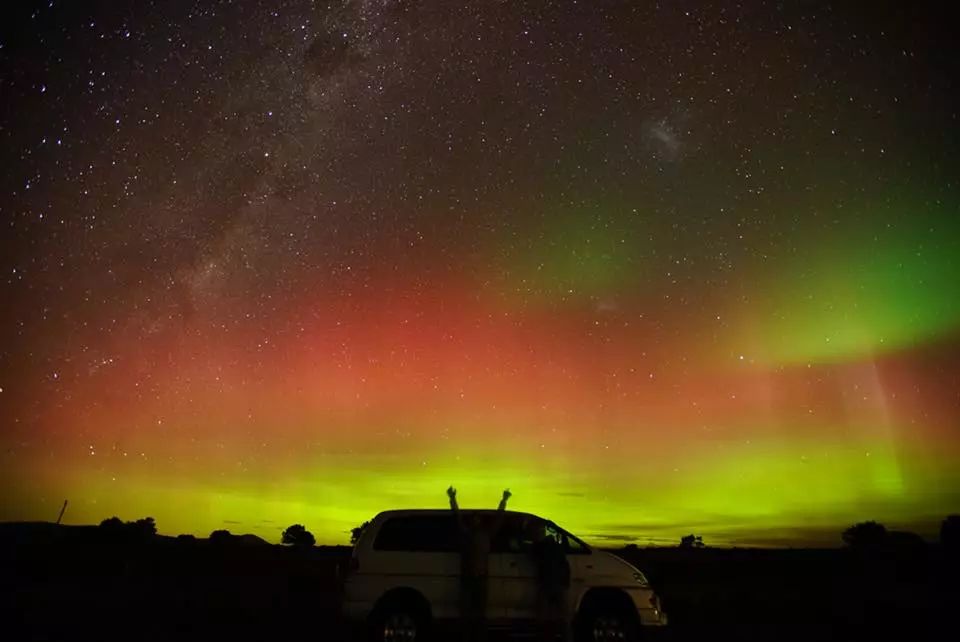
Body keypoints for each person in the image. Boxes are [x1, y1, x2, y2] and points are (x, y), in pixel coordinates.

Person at [448, 485, 511, 642]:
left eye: (478, 518)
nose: (476, 520)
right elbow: (457, 516)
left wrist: (503, 500)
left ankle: (477, 636)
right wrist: (452, 499)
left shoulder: (486, 534)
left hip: (481, 578)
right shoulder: (467, 533)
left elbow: (499, 518)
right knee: (467, 613)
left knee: (480, 613)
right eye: (474, 518)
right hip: (469, 578)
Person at [526, 518, 572, 642]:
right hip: (557, 584)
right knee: (562, 618)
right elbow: (566, 549)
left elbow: (531, 555)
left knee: (544, 618)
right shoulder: (554, 546)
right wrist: (557, 529)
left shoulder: (538, 547)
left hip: (547, 585)